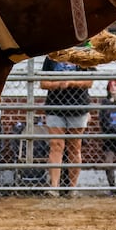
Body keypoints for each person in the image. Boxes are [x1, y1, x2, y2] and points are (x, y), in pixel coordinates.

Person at [40, 54, 93, 195]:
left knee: (74, 147)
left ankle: (72, 188)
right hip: (55, 106)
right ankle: (54, 187)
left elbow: (89, 82)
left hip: (78, 106)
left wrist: (71, 83)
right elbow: (43, 83)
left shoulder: (82, 55)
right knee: (56, 145)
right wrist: (58, 84)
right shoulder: (52, 57)